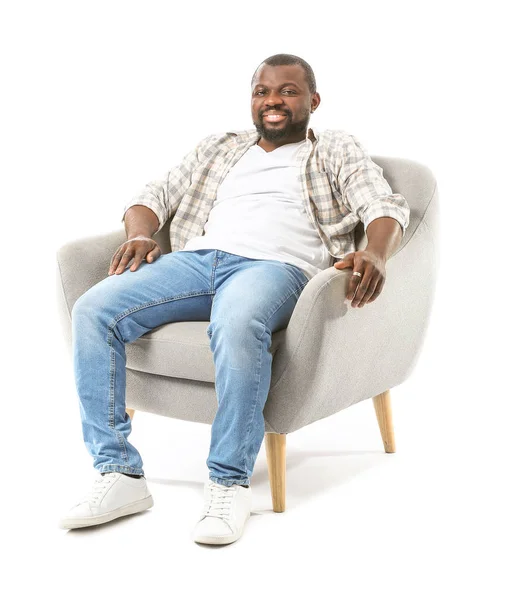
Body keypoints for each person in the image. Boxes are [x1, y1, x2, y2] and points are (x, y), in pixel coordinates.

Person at [59, 53, 410, 545]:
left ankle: (228, 483)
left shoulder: (334, 148)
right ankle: (118, 474)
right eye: (262, 91)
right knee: (94, 309)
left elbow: (382, 204)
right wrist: (140, 234)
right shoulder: (221, 148)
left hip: (276, 267)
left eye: (287, 91)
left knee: (236, 321)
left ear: (313, 100)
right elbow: (153, 194)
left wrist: (375, 251)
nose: (272, 101)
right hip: (198, 260)